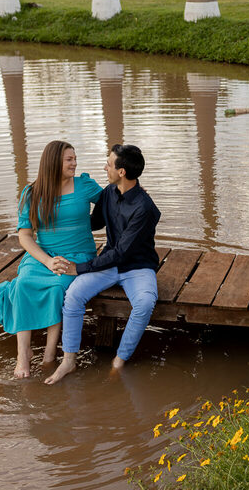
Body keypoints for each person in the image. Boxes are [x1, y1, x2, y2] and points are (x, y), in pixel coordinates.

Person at [44, 144, 161, 385]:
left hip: (138, 267)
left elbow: (121, 253)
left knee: (145, 303)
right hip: (110, 263)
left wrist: (79, 268)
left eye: (109, 163)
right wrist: (56, 219)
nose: (104, 167)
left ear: (121, 172)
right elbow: (93, 223)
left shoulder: (144, 208)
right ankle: (69, 361)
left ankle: (119, 361)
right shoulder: (108, 192)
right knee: (74, 295)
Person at [0, 140, 103, 378]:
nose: (75, 163)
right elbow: (24, 236)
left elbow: (114, 203)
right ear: (54, 162)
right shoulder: (32, 193)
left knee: (57, 287)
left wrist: (134, 192)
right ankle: (23, 356)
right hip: (43, 257)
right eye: (69, 159)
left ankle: (49, 355)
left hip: (77, 256)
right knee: (22, 285)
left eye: (75, 158)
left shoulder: (84, 185)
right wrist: (46, 261)